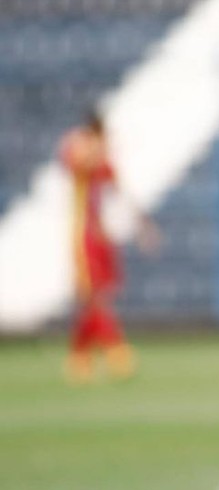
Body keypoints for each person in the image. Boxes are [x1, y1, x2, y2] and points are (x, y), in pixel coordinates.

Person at [59, 109, 158, 383]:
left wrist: (144, 227)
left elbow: (123, 192)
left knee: (97, 298)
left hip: (101, 236)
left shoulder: (104, 165)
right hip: (83, 235)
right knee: (94, 299)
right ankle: (116, 351)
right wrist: (94, 146)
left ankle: (79, 358)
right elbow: (74, 158)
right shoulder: (80, 154)